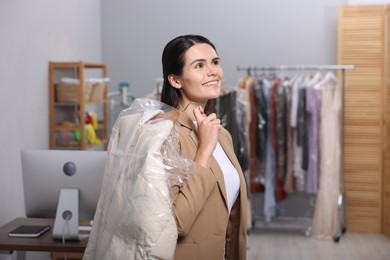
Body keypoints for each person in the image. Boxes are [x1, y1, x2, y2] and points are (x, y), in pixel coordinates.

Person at [161, 34, 248, 260]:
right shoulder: (164, 134)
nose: (213, 71)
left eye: (215, 63)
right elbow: (176, 222)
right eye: (199, 65)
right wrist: (204, 152)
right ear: (175, 80)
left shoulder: (222, 135)